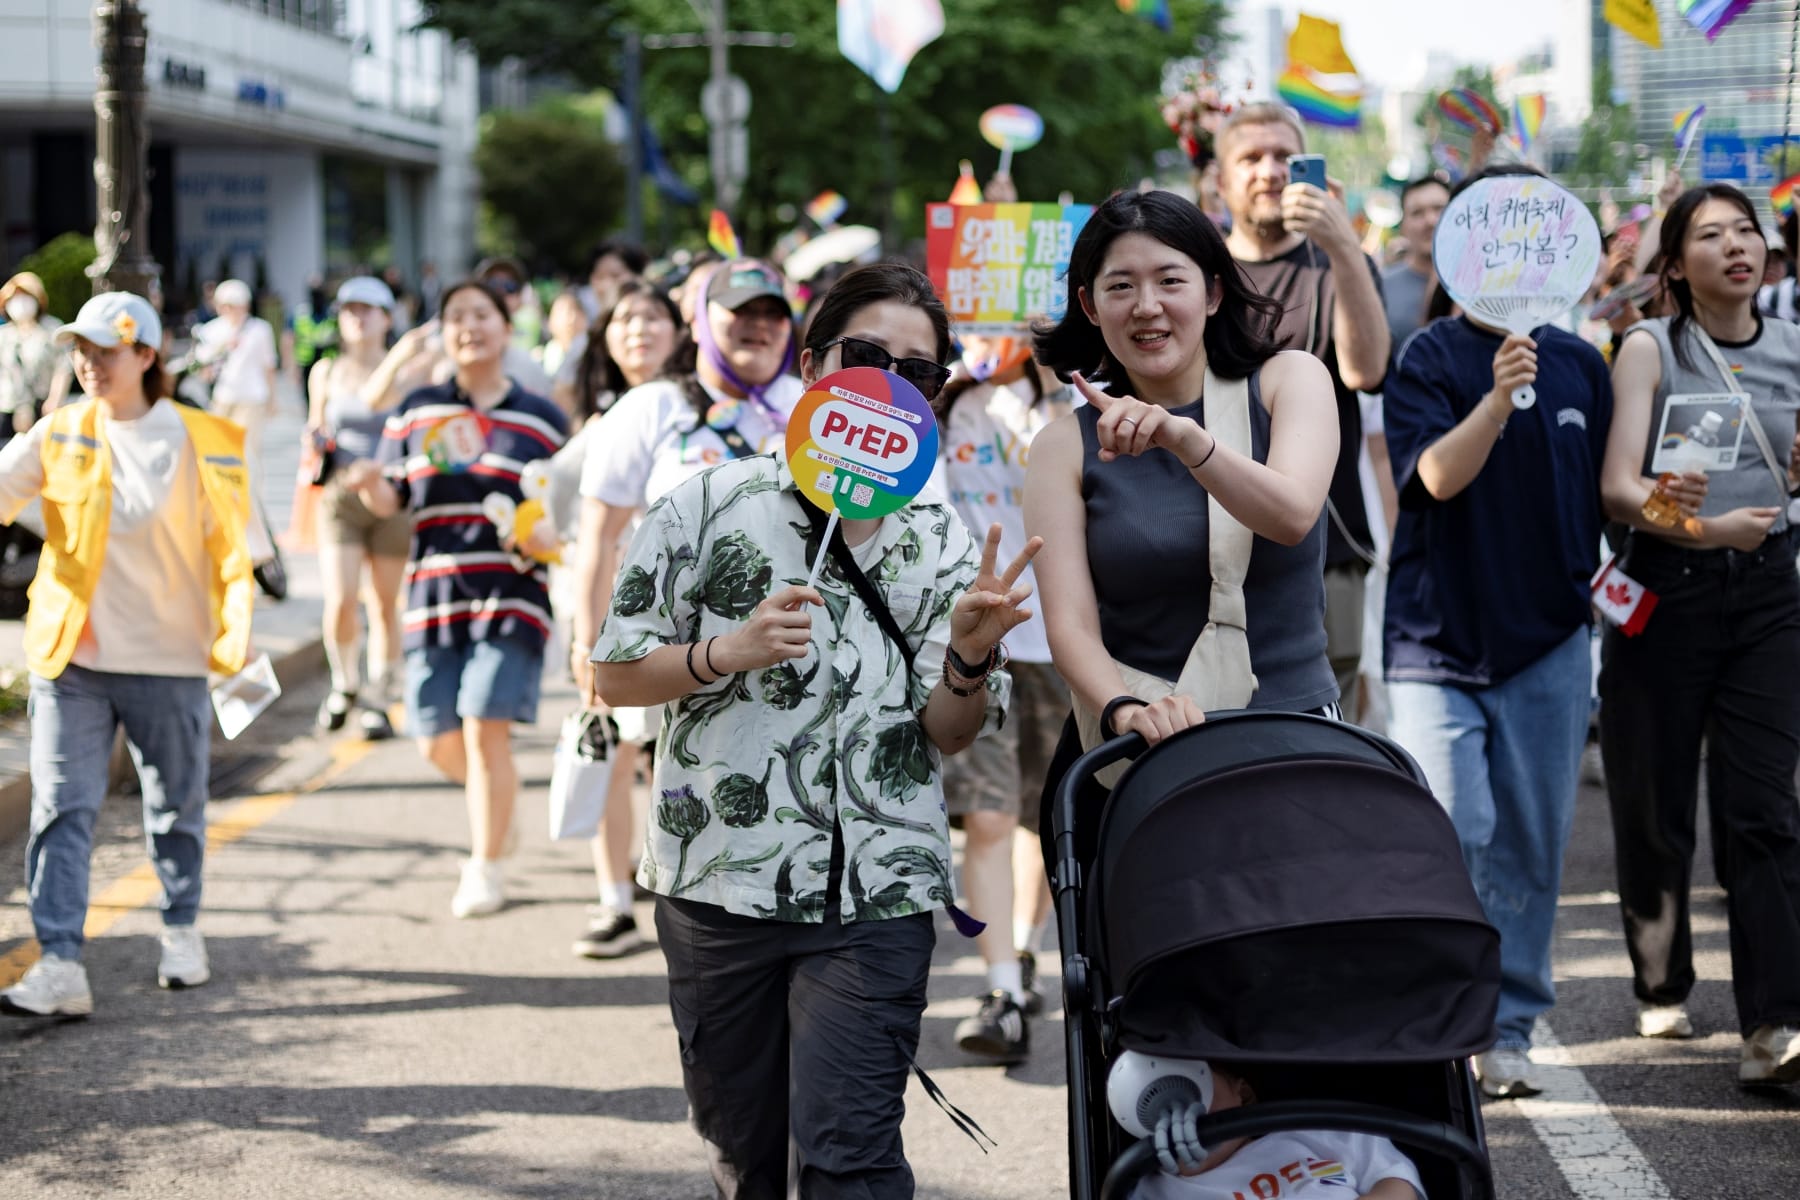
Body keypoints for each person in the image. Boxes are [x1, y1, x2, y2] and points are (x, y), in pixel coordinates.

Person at [590, 260, 1032, 1197]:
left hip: (878, 895)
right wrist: (727, 652)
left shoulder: (941, 540)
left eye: (917, 371)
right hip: (717, 883)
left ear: (938, 394)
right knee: (740, 1156)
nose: (887, 382)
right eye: (865, 355)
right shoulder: (706, 505)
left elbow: (949, 733)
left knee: (851, 1157)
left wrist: (969, 656)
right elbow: (612, 673)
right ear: (812, 361)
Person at [1379, 164, 1614, 1100]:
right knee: (1453, 828)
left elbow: (1610, 487)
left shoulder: (1584, 362)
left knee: (1529, 841)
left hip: (1550, 640)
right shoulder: (1429, 356)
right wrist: (1495, 394)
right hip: (1437, 645)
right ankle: (1438, 1012)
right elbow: (1435, 478)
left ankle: (1507, 1026)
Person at [1024, 188, 1340, 872]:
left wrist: (1187, 442)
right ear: (1089, 306)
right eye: (1120, 286)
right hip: (1133, 764)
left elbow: (1291, 515)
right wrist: (1124, 710)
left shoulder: (1290, 381)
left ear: (1214, 292)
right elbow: (1070, 626)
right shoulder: (1060, 446)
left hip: (1289, 746)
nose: (1147, 306)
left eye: (1171, 281)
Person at [0, 292, 254, 1017]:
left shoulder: (208, 438)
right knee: (61, 806)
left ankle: (179, 928)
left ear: (146, 355)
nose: (88, 363)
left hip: (172, 658)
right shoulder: (61, 431)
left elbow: (242, 549)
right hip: (72, 659)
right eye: (79, 350)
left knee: (175, 807)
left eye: (104, 350)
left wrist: (237, 644)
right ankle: (59, 963)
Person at [1598, 182, 1800, 1087]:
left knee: (1764, 810)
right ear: (1676, 266)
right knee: (1654, 805)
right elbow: (1618, 488)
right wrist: (1707, 530)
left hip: (1767, 594)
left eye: (1746, 231)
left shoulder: (1795, 345)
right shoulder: (1649, 348)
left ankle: (1776, 1025)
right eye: (1710, 236)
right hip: (1664, 590)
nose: (1736, 246)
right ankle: (1661, 977)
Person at [570, 259, 801, 958]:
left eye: (773, 314)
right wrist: (588, 638)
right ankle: (616, 898)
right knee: (622, 758)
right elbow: (599, 533)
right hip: (654, 640)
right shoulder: (651, 407)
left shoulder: (809, 406)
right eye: (740, 312)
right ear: (702, 319)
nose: (758, 327)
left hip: (770, 646)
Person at [341, 280, 569, 918]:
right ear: (442, 333)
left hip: (513, 590)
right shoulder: (415, 410)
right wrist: (367, 485)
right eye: (456, 317)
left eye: (482, 315)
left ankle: (485, 864)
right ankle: (495, 810)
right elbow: (394, 495)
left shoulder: (542, 418)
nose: (469, 326)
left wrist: (547, 533)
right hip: (435, 591)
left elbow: (563, 505)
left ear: (506, 327)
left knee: (481, 728)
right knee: (432, 737)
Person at [1216, 103, 1391, 722]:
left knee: (1319, 729)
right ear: (1220, 180)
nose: (1270, 171)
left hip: (1328, 543)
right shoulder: (1196, 272)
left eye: (1285, 157)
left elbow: (1366, 371)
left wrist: (1343, 243)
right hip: (1211, 540)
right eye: (1250, 158)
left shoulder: (1340, 263)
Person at [935, 337, 1071, 1062]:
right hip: (978, 642)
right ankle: (999, 992)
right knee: (987, 816)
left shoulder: (1073, 398)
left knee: (1039, 818)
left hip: (1063, 638)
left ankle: (1021, 952)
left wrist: (1049, 378)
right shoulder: (944, 404)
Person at [305, 276, 409, 740]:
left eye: (368, 309)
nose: (357, 317)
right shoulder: (325, 371)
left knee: (385, 603)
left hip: (390, 497)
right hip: (340, 496)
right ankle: (344, 682)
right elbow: (316, 424)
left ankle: (379, 698)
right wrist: (315, 441)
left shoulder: (404, 371)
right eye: (349, 309)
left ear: (386, 318)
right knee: (341, 598)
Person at [1127, 1061, 1422, 1199]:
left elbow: (1397, 1181)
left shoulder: (1315, 1131)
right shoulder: (1152, 1189)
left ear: (1242, 1094)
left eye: (1195, 1087)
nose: (1181, 1114)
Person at [194, 279, 279, 462]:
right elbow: (201, 367)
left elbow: (269, 366)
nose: (229, 310)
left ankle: (251, 491)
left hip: (252, 398)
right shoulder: (211, 330)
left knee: (248, 452)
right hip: (221, 398)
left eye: (234, 305)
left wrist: (272, 399)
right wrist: (222, 347)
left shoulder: (260, 329)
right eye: (225, 305)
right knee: (221, 452)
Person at [1382, 176, 1450, 347]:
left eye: (1439, 209)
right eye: (1417, 213)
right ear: (1403, 225)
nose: (1430, 221)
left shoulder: (1476, 287)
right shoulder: (1381, 287)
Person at [0, 271, 65, 437]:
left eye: (25, 297)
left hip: (42, 406)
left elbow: (63, 368)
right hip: (8, 407)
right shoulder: (4, 334)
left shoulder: (52, 329)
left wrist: (54, 400)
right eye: (14, 298)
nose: (20, 303)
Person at [577, 239, 650, 322]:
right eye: (599, 277)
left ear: (639, 277)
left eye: (616, 275)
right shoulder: (579, 316)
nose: (607, 284)